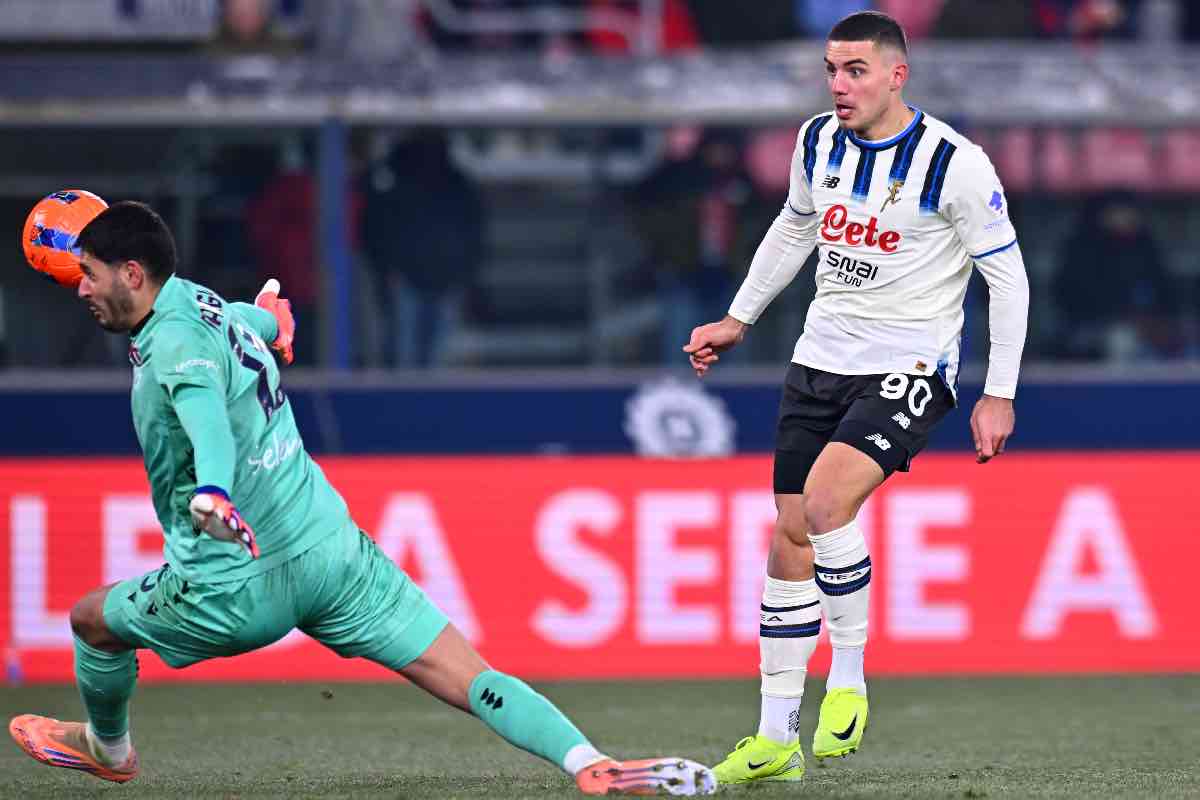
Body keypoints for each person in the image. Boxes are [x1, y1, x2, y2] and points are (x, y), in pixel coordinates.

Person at [7, 201, 715, 797]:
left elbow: (206, 420)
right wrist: (274, 322)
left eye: (89, 274)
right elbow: (251, 326)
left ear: (132, 274)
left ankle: (109, 749)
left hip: (235, 585)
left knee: (93, 620)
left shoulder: (172, 346)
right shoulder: (198, 300)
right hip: (329, 552)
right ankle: (590, 762)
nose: (80, 288)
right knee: (470, 676)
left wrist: (214, 492)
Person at [683, 11, 1029, 785]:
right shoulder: (816, 141)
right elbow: (794, 226)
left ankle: (849, 677)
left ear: (897, 75)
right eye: (832, 70)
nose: (839, 85)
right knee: (789, 537)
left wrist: (998, 392)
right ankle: (775, 737)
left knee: (824, 506)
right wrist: (739, 318)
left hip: (909, 364)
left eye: (856, 70)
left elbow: (1008, 279)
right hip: (819, 359)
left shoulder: (955, 164)